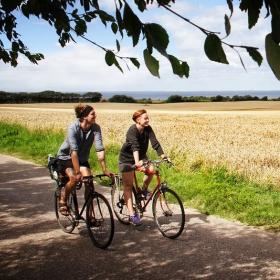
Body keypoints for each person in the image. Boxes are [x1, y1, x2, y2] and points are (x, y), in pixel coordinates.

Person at [57, 104, 111, 216]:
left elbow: (100, 149)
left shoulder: (96, 128)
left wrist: (105, 170)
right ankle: (63, 199)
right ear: (85, 116)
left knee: (89, 182)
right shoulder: (73, 127)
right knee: (73, 178)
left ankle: (90, 215)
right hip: (66, 157)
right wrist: (77, 172)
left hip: (81, 159)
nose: (95, 115)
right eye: (93, 114)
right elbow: (73, 152)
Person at [119, 109, 168, 226]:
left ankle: (143, 190)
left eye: (148, 118)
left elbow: (155, 143)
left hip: (141, 157)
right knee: (128, 186)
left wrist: (163, 156)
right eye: (145, 118)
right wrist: (137, 163)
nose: (148, 120)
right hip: (127, 159)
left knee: (151, 170)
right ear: (138, 120)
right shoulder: (132, 130)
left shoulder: (148, 129)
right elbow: (135, 146)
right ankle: (132, 214)